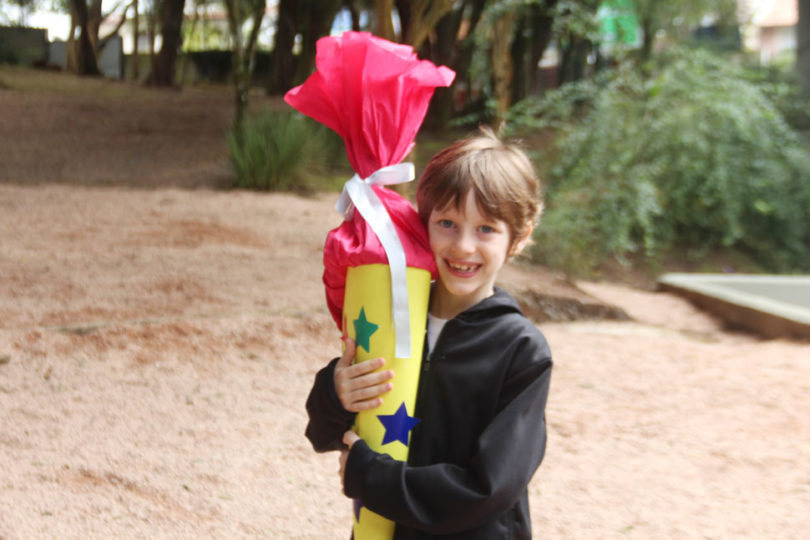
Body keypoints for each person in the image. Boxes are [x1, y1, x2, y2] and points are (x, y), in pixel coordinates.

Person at [305, 127, 552, 539]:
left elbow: (488, 488)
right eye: (447, 223)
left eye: (486, 229)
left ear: (519, 239)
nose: (463, 246)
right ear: (423, 225)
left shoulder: (521, 350)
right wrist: (336, 392)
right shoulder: (395, 313)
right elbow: (322, 432)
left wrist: (372, 476)